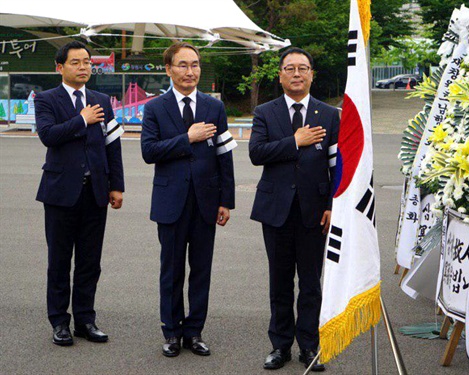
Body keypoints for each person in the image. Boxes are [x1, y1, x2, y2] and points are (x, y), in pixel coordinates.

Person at [141, 42, 236, 358]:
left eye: (195, 64)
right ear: (168, 69)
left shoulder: (214, 107)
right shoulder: (155, 108)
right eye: (183, 65)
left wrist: (226, 200)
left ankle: (194, 332)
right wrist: (188, 139)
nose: (190, 71)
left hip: (206, 201)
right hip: (170, 201)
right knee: (170, 271)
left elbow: (224, 155)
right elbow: (148, 152)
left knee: (201, 270)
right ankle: (171, 332)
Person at [249, 47, 339, 372]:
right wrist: (294, 141)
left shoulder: (329, 114)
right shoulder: (265, 112)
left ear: (312, 74)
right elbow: (257, 153)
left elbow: (337, 167)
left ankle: (310, 346)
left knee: (312, 282)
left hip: (315, 213)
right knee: (281, 281)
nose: (296, 74)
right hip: (276, 210)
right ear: (280, 75)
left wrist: (332, 206)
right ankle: (280, 345)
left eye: (303, 68)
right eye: (290, 68)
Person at [35, 41, 124, 346]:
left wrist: (116, 185)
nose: (84, 67)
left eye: (87, 62)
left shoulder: (102, 100)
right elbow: (48, 136)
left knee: (90, 261)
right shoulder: (46, 99)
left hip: (95, 192)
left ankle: (85, 319)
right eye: (76, 62)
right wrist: (81, 120)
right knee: (59, 261)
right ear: (60, 67)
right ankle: (60, 321)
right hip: (60, 193)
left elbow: (113, 144)